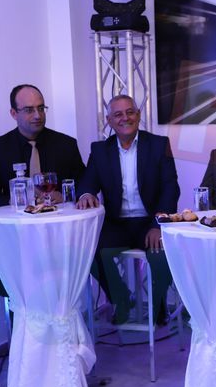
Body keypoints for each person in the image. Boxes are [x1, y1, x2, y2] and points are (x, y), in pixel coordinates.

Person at [76, 95, 180, 325]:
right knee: (89, 252)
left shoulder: (158, 145)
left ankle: (158, 304)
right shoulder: (100, 150)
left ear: (138, 115)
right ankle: (121, 299)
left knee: (163, 254)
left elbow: (170, 187)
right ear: (109, 121)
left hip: (150, 221)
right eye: (118, 114)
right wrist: (86, 194)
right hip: (117, 224)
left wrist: (158, 225)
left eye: (130, 112)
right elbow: (87, 183)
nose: (125, 118)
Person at [0, 84, 86, 298]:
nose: (37, 115)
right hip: (18, 233)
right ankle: (24, 307)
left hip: (59, 233)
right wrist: (16, 200)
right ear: (13, 113)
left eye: (41, 108)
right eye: (29, 110)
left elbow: (85, 184)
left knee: (88, 259)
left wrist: (64, 196)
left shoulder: (66, 144)